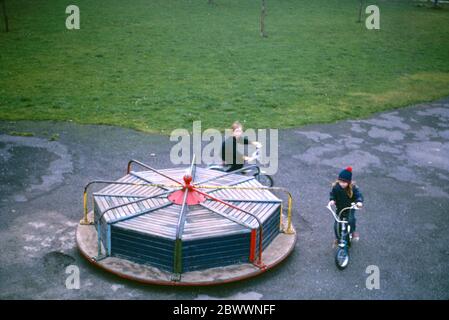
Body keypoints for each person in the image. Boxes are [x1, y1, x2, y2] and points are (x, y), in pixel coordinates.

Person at [328, 166, 364, 244]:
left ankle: (353, 232)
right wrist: (332, 200)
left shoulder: (353, 188)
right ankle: (338, 238)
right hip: (340, 208)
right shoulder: (336, 187)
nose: (342, 184)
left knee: (351, 220)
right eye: (340, 182)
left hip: (350, 207)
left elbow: (358, 195)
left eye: (344, 182)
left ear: (349, 182)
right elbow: (332, 194)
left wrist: (359, 202)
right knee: (337, 224)